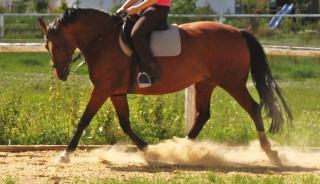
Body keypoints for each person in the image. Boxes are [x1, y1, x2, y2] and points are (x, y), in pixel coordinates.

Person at [117, 0, 171, 88]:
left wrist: (137, 8)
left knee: (136, 34)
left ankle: (151, 70)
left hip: (159, 9)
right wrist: (123, 7)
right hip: (146, 8)